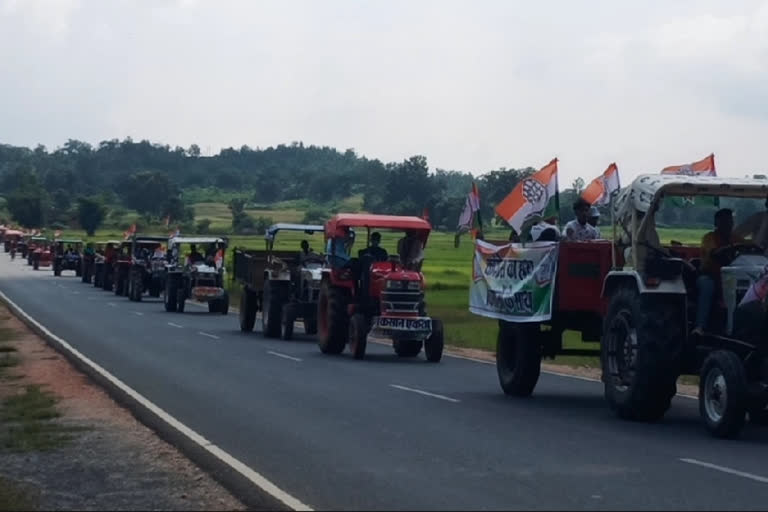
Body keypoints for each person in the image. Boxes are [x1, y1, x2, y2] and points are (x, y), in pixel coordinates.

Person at [694, 208, 746, 335]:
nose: (728, 224)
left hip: (735, 275)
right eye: (724, 221)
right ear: (716, 223)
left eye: (730, 221)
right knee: (707, 286)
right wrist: (727, 250)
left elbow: (749, 247)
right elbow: (714, 252)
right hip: (711, 275)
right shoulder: (709, 238)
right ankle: (700, 326)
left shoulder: (737, 239)